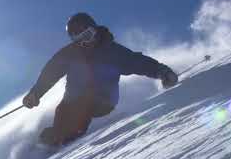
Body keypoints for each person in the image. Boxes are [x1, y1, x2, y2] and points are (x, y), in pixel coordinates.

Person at [23, 13, 178, 147]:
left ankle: (66, 138)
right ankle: (48, 143)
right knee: (63, 110)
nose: (86, 43)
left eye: (88, 35)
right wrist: (35, 94)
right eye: (79, 40)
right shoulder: (70, 54)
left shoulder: (111, 51)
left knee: (83, 105)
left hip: (103, 100)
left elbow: (137, 62)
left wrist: (162, 71)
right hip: (72, 100)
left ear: (95, 30)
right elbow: (51, 72)